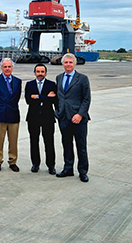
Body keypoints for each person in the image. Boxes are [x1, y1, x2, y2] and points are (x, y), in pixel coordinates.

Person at [55, 53, 91, 182]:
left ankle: (83, 171)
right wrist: (57, 112)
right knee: (66, 144)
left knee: (81, 146)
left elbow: (86, 99)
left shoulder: (82, 78)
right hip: (64, 118)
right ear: (62, 64)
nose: (68, 65)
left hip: (78, 119)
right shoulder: (59, 78)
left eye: (70, 62)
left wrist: (80, 114)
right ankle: (68, 168)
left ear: (74, 64)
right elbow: (59, 97)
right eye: (66, 62)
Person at [0, 58, 22, 172]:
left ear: (12, 68)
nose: (7, 69)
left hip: (13, 114)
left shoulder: (18, 81)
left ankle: (13, 161)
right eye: (5, 67)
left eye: (9, 67)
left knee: (13, 140)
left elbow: (16, 97)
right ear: (1, 68)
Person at [25, 63, 58, 175]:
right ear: (35, 73)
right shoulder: (29, 85)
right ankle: (35, 164)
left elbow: (53, 100)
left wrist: (38, 97)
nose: (40, 74)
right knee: (34, 142)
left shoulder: (52, 84)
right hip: (33, 118)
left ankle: (51, 165)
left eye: (42, 72)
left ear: (45, 73)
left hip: (48, 118)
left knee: (49, 142)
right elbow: (28, 100)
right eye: (38, 72)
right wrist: (45, 97)